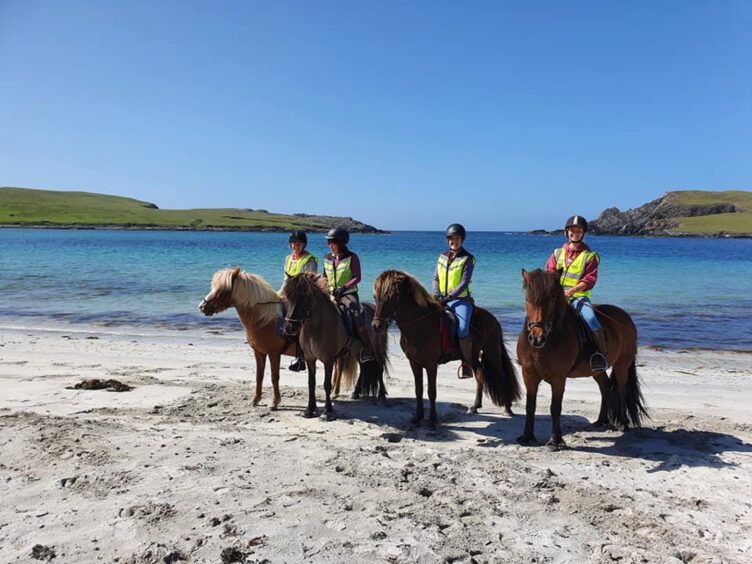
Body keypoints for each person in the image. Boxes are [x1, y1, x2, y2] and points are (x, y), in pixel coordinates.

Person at [545, 215, 608, 371]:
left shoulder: (590, 256)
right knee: (536, 314)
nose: (575, 233)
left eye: (579, 230)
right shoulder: (557, 253)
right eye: (572, 230)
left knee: (591, 318)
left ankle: (600, 355)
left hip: (578, 297)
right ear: (567, 232)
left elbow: (589, 280)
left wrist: (572, 291)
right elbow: (549, 273)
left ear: (583, 233)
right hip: (557, 297)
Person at [323, 227, 375, 363]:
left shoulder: (352, 257)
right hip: (331, 293)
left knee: (356, 314)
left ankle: (367, 347)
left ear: (341, 243)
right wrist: (324, 288)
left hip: (347, 294)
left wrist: (344, 288)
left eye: (332, 242)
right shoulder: (327, 258)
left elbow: (357, 277)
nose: (329, 245)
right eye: (328, 242)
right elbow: (324, 277)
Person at [433, 223, 476, 379]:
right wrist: (436, 294)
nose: (453, 241)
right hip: (441, 298)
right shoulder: (442, 257)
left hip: (460, 300)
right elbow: (435, 277)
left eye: (457, 238)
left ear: (462, 239)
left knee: (463, 328)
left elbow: (464, 282)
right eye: (451, 238)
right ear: (447, 240)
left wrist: (449, 297)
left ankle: (467, 363)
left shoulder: (467, 259)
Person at [283, 231, 318, 372]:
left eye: (299, 243)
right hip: (290, 294)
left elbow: (309, 280)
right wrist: (279, 294)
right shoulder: (288, 258)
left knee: (299, 319)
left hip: (304, 295)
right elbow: (285, 279)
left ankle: (302, 357)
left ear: (303, 244)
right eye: (294, 243)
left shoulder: (310, 259)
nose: (296, 245)